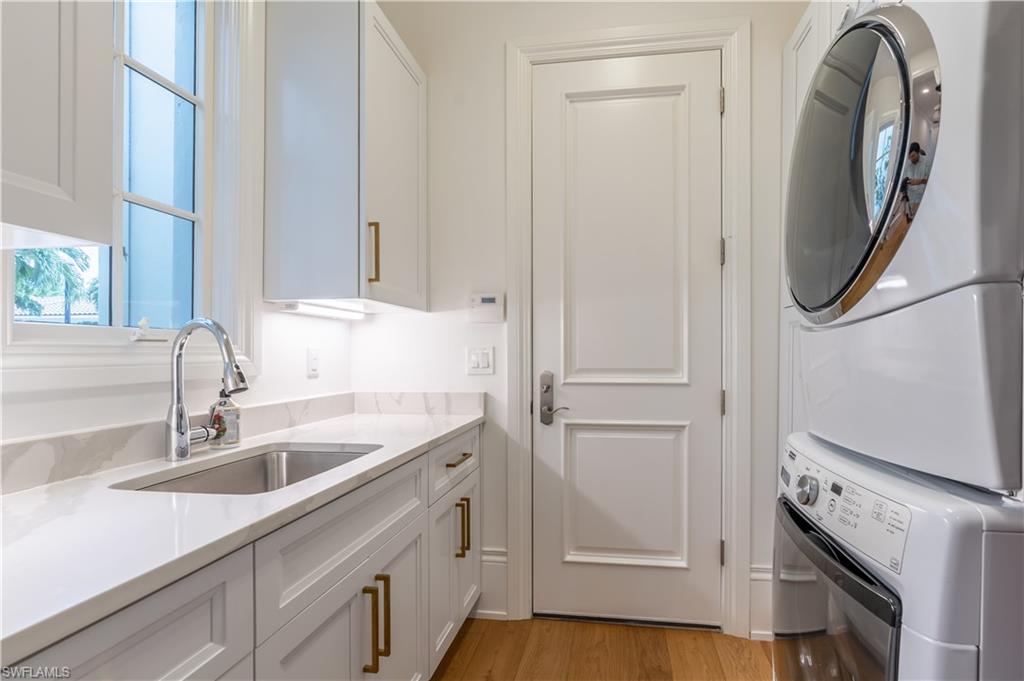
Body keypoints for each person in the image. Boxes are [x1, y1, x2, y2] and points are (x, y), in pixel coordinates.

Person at [903, 141, 931, 219]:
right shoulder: (908, 165)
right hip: (912, 201)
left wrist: (919, 181)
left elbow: (931, 180)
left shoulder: (927, 161)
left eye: (913, 156)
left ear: (918, 152)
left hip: (924, 198)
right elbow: (905, 181)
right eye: (909, 157)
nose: (911, 159)